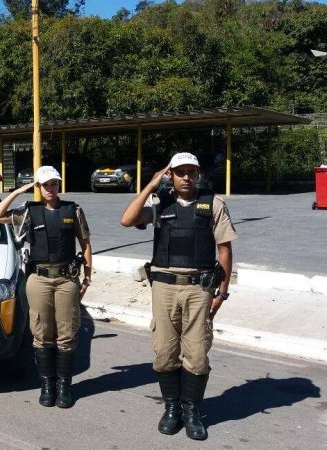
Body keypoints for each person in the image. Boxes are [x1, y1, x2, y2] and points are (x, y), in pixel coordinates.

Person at [120, 152, 236, 441]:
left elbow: (224, 250)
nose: (186, 177)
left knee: (197, 355)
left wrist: (222, 293)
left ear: (198, 175)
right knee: (163, 353)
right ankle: (172, 408)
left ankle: (192, 410)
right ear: (170, 174)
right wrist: (150, 186)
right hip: (164, 287)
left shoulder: (214, 205)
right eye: (180, 172)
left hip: (199, 288)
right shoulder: (160, 205)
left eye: (191, 172)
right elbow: (127, 220)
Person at [0, 166, 93, 409]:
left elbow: (86, 244)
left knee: (67, 334)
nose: (50, 188)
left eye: (54, 184)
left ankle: (64, 387)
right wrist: (18, 191)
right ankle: (47, 386)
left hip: (67, 279)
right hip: (39, 279)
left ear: (59, 185)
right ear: (38, 187)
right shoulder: (28, 212)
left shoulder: (73, 210)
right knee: (42, 332)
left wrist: (88, 277)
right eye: (45, 184)